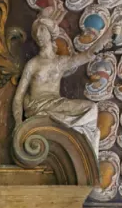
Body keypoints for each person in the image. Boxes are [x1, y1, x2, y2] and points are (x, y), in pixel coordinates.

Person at [13, 16, 111, 156]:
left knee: (91, 108)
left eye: (43, 30)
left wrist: (107, 36)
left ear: (51, 34)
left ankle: (87, 154)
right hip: (38, 106)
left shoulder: (60, 62)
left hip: (56, 104)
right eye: (37, 32)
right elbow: (19, 96)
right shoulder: (33, 64)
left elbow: (87, 55)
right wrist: (18, 124)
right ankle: (78, 137)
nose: (39, 35)